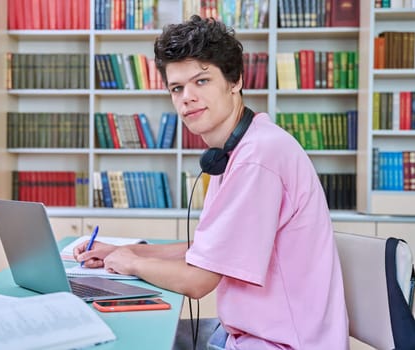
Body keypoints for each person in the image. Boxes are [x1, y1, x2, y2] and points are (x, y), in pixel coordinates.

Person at [74, 15, 349, 350]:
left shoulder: (257, 158)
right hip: (250, 334)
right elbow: (206, 254)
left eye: (201, 81)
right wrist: (125, 251)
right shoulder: (236, 150)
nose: (186, 97)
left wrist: (132, 263)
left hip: (280, 344)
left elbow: (199, 280)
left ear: (234, 81)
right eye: (177, 88)